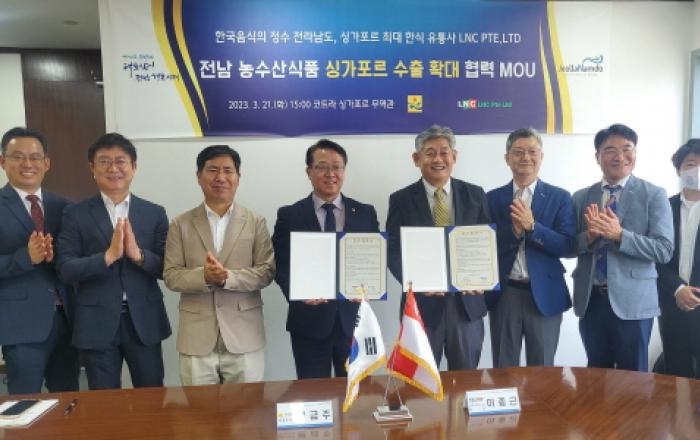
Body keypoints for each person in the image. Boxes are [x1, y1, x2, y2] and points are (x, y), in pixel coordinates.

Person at [56, 132, 171, 389]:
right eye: (105, 161)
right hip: (96, 321)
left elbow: (168, 268)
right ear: (92, 167)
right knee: (103, 401)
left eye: (120, 161)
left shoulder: (154, 212)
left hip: (144, 319)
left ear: (134, 166)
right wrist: (107, 257)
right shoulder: (75, 214)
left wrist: (139, 255)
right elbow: (65, 269)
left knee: (151, 395)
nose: (113, 168)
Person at [164, 145, 274, 385]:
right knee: (199, 409)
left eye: (228, 170)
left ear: (238, 177)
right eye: (212, 170)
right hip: (196, 338)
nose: (220, 177)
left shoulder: (255, 222)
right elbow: (171, 275)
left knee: (247, 407)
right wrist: (203, 276)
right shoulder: (180, 223)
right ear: (198, 176)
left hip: (244, 336)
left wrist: (227, 278)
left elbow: (266, 271)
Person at [272, 139, 379, 379]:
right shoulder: (290, 214)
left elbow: (374, 260)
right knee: (312, 392)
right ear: (308, 171)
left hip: (354, 322)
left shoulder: (365, 213)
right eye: (321, 167)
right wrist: (298, 293)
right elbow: (280, 264)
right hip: (308, 322)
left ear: (344, 170)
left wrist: (371, 287)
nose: (330, 174)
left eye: (337, 167)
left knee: (354, 392)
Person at [386, 125, 491, 370]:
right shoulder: (401, 199)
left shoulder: (475, 195)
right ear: (416, 159)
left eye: (444, 152)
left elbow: (486, 244)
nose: (438, 159)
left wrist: (483, 277)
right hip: (421, 306)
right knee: (421, 381)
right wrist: (414, 281)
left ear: (455, 156)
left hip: (466, 306)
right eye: (430, 153)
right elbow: (393, 250)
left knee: (465, 379)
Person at [572, 123, 673, 372]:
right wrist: (589, 237)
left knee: (634, 380)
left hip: (634, 304)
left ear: (635, 153)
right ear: (597, 157)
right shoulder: (581, 197)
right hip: (592, 301)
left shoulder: (654, 194)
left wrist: (620, 235)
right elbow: (569, 245)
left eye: (627, 149)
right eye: (610, 150)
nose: (620, 156)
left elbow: (663, 249)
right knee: (595, 376)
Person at [486, 128, 575, 368]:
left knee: (543, 370)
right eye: (518, 152)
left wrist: (532, 227)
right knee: (504, 369)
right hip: (505, 294)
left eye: (532, 151)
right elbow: (484, 246)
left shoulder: (560, 197)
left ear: (541, 157)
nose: (526, 157)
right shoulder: (491, 198)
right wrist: (514, 232)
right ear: (507, 158)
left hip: (546, 294)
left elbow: (568, 246)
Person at [0, 127, 79, 394]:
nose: (28, 164)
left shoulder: (66, 206)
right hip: (21, 325)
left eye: (35, 157)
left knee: (68, 399)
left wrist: (60, 257)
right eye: (18, 156)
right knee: (25, 401)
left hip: (68, 321)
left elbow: (74, 260)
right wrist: (26, 257)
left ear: (47, 163)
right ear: (3, 161)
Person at [657, 139, 700, 378]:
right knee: (675, 372)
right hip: (671, 301)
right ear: (679, 170)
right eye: (691, 164)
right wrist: (678, 288)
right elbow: (654, 255)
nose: (697, 170)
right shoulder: (663, 207)